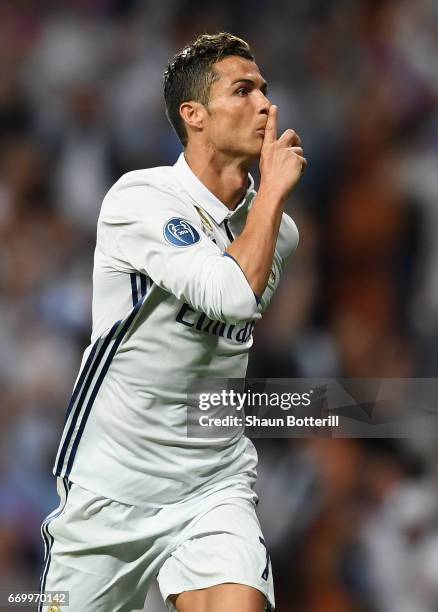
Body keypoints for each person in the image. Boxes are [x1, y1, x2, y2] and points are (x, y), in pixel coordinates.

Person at [39, 32, 306, 612]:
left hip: (212, 484)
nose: (266, 105)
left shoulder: (277, 232)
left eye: (264, 90)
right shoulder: (140, 200)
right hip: (110, 491)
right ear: (195, 116)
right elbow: (231, 297)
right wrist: (272, 197)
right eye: (244, 90)